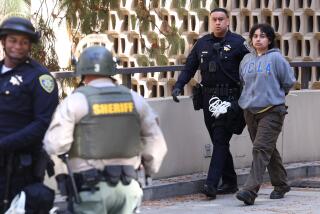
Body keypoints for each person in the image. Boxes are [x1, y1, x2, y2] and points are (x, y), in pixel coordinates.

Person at [43, 45, 168, 214]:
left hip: (90, 191)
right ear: (111, 69)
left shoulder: (75, 101)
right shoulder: (135, 99)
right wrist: (149, 169)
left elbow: (55, 145)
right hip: (128, 190)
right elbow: (156, 143)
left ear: (81, 71)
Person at [171, 8, 250, 199]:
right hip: (208, 100)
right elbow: (189, 67)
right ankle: (230, 181)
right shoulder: (202, 43)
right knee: (218, 141)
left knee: (221, 138)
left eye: (221, 19)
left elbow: (250, 70)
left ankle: (211, 184)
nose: (217, 23)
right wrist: (179, 86)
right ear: (210, 21)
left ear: (228, 21)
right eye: (214, 19)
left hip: (230, 100)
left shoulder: (239, 43)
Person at [0, 16, 59, 212]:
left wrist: (4, 144)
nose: (18, 46)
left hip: (19, 167)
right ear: (3, 41)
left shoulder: (39, 77)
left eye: (24, 42)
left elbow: (43, 123)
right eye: (13, 40)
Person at [235, 23, 296, 205]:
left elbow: (288, 82)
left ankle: (249, 191)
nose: (258, 39)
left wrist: (274, 96)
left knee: (260, 148)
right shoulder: (246, 60)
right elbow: (243, 83)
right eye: (255, 36)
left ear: (269, 40)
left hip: (272, 111)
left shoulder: (277, 59)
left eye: (262, 36)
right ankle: (282, 184)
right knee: (267, 149)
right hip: (250, 111)